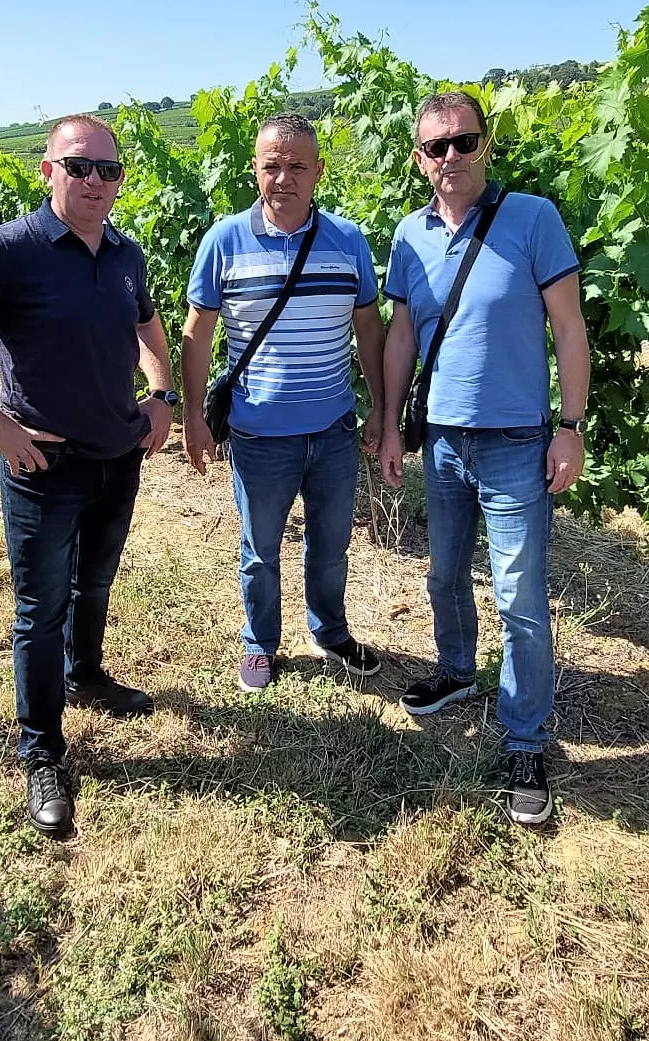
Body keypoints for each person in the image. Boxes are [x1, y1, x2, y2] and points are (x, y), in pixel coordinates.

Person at [0, 114, 176, 838]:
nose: (95, 181)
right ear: (48, 170)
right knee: (40, 609)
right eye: (78, 165)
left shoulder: (124, 252)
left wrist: (161, 393)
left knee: (96, 582)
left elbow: (147, 327)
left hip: (118, 456)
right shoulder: (11, 249)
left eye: (108, 170)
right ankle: (42, 752)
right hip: (44, 466)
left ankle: (86, 673)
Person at [380, 91, 590, 826]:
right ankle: (456, 670)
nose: (450, 157)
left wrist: (570, 426)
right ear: (419, 159)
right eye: (436, 146)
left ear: (485, 145)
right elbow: (401, 336)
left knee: (519, 598)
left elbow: (569, 329)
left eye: (463, 141)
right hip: (442, 441)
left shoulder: (532, 218)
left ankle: (525, 740)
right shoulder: (408, 235)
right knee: (442, 573)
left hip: (516, 442)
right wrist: (388, 425)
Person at [181, 113, 386, 692]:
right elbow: (197, 333)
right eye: (272, 165)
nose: (284, 177)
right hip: (258, 434)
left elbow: (369, 328)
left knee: (331, 545)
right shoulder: (224, 241)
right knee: (260, 550)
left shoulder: (348, 240)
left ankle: (331, 632)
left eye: (297, 166)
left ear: (318, 170)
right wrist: (192, 416)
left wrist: (379, 407)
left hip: (334, 432)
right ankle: (260, 643)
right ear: (255, 169)